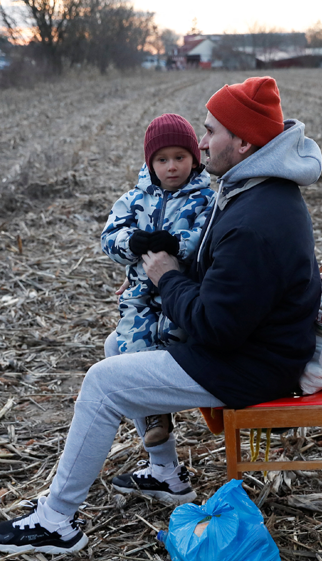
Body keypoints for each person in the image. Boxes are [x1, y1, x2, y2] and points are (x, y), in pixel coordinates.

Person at [0, 76, 322, 556]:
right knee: (114, 347)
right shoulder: (258, 192)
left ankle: (56, 520)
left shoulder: (257, 218)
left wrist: (166, 276)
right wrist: (157, 278)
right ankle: (166, 474)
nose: (201, 143)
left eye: (210, 131)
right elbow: (226, 284)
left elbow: (217, 326)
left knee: (104, 381)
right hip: (255, 347)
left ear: (245, 141)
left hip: (250, 365)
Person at [101, 113, 215, 448]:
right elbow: (109, 236)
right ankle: (154, 415)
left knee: (171, 340)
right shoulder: (134, 200)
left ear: (194, 159)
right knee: (132, 346)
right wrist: (129, 243)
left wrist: (177, 245)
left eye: (180, 157)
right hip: (139, 294)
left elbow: (204, 239)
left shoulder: (205, 200)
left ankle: (165, 399)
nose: (172, 167)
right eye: (162, 160)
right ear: (150, 164)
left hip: (180, 293)